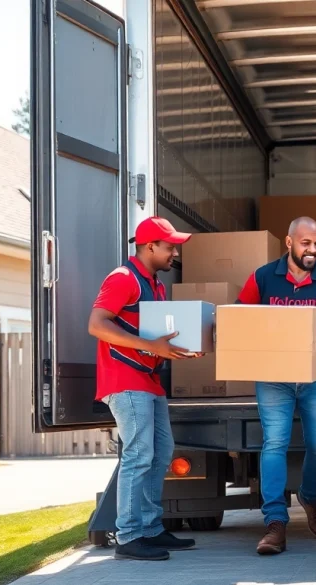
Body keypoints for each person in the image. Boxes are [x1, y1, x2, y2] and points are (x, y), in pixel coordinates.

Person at [236, 216, 316, 556]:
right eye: (306, 243)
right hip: (273, 376)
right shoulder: (263, 277)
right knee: (275, 443)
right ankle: (275, 523)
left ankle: (308, 495)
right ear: (289, 243)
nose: (313, 250)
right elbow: (239, 316)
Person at [87, 216, 200, 561]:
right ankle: (129, 535)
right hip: (124, 380)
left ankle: (150, 529)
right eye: (169, 247)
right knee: (138, 455)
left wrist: (176, 347)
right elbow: (96, 324)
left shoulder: (155, 284)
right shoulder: (123, 279)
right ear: (150, 246)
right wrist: (151, 347)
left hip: (149, 382)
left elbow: (155, 335)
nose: (174, 253)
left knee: (161, 453)